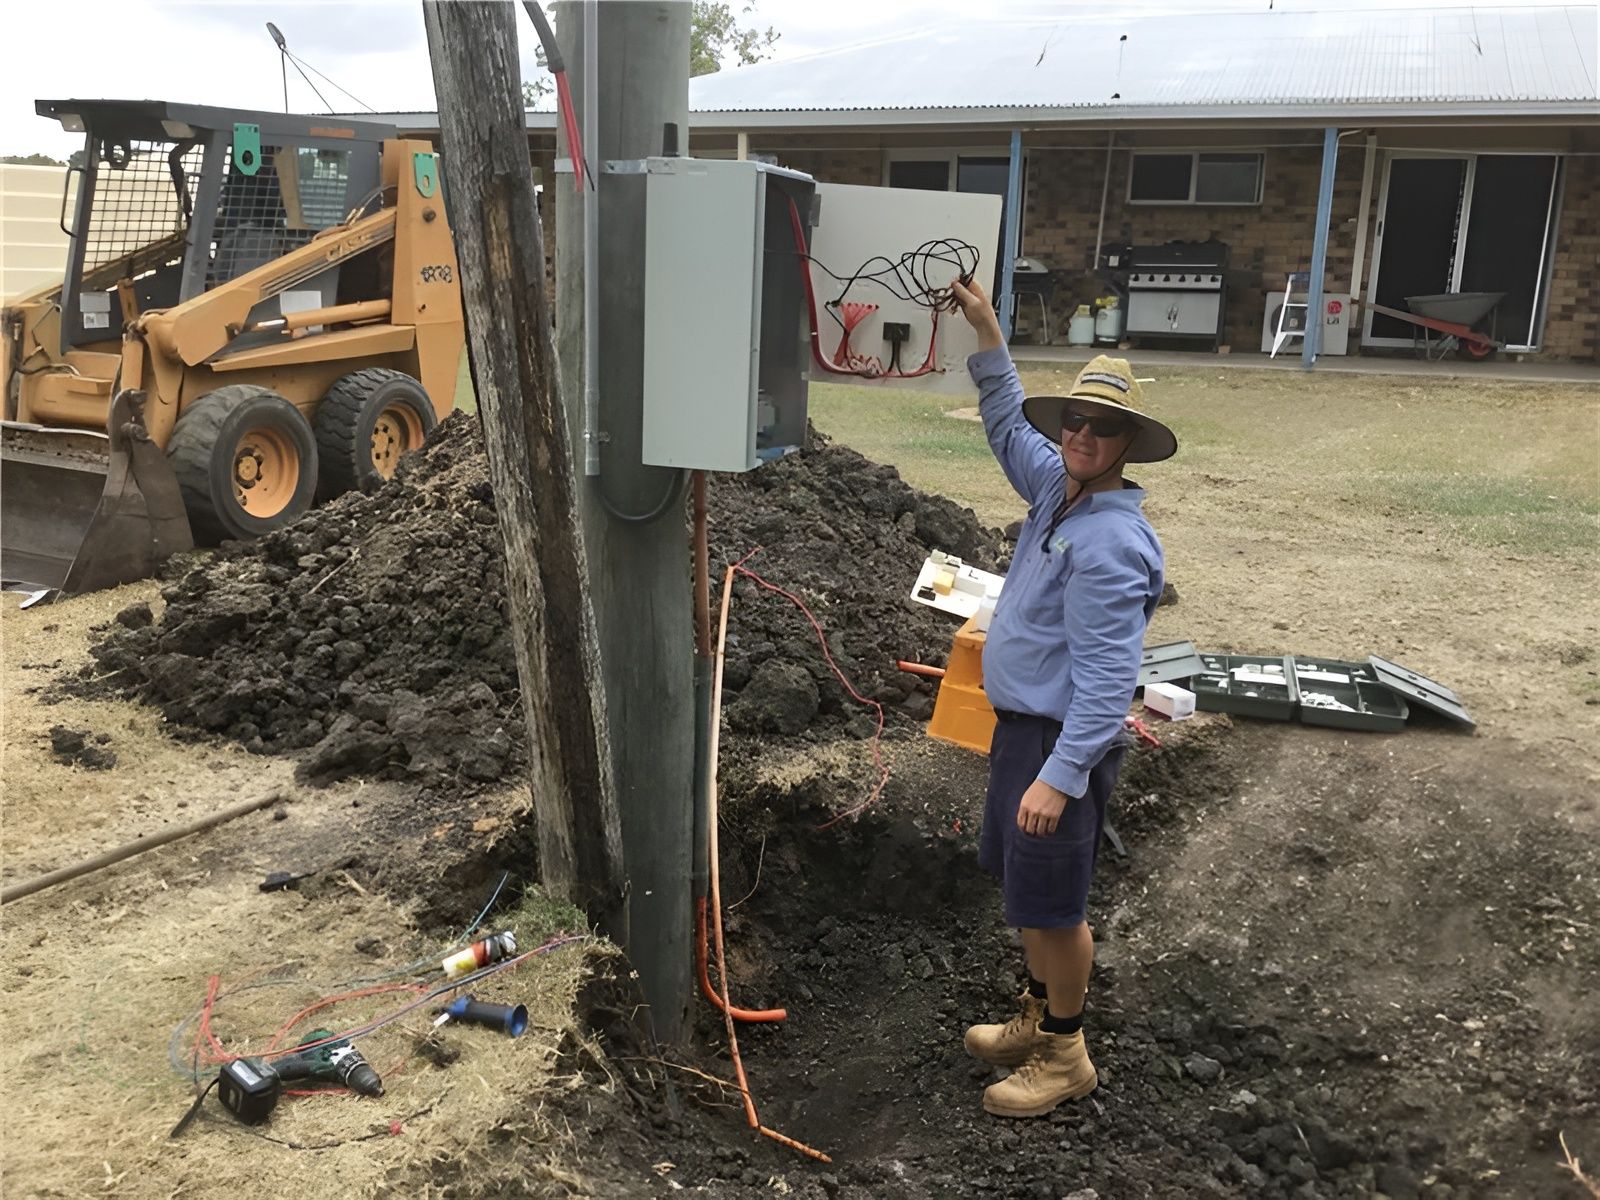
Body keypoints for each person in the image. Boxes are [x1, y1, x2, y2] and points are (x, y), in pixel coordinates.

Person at [948, 277, 1174, 1119]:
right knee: (1025, 894)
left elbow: (1112, 679)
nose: (1081, 434)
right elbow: (1008, 425)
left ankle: (1065, 1053)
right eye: (1074, 421)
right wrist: (989, 335)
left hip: (1058, 742)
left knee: (1055, 907)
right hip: (1025, 735)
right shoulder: (1061, 491)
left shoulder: (1111, 541)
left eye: (1102, 426)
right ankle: (1038, 1019)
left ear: (1127, 443)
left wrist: (1064, 772)